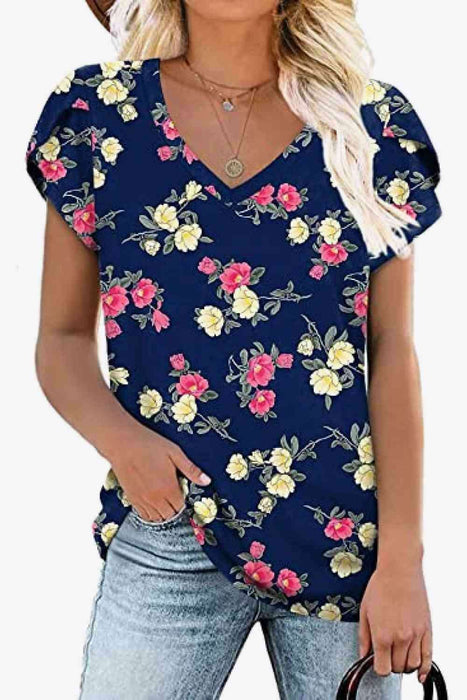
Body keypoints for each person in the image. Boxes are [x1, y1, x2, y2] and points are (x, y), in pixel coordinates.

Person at [26, 1, 442, 698]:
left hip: (341, 547)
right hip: (171, 529)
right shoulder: (97, 116)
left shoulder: (370, 124)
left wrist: (402, 560)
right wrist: (126, 447)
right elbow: (60, 339)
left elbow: (392, 349)